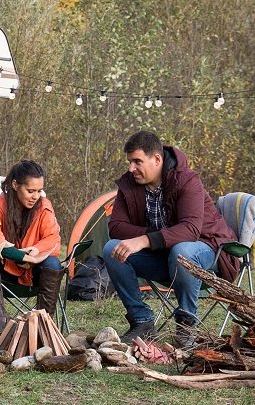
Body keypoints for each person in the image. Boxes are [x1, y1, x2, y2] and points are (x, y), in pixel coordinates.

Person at [102, 131, 240, 347]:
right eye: (129, 162)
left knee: (182, 250)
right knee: (112, 248)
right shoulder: (129, 184)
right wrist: (156, 237)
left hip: (207, 252)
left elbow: (190, 230)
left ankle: (186, 324)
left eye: (137, 161)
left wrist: (144, 240)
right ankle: (142, 321)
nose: (131, 169)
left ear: (157, 159)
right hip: (163, 257)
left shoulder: (186, 180)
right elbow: (116, 227)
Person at [0, 159, 63, 338]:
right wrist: (18, 255)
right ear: (15, 185)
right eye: (30, 191)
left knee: (53, 263)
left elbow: (53, 237)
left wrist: (36, 251)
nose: (36, 196)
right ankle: (0, 319)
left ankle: (43, 323)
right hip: (5, 271)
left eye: (39, 191)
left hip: (34, 272)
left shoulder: (44, 206)